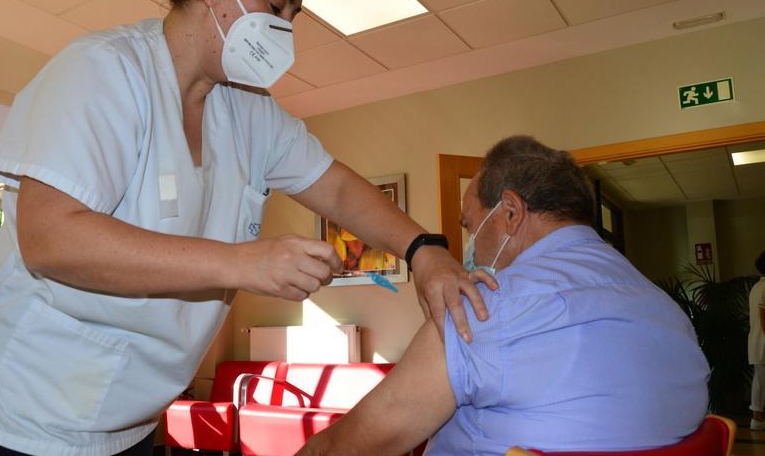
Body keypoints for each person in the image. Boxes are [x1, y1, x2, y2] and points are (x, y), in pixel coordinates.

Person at [0, 0, 495, 455]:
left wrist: (424, 250)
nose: (284, 31)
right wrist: (243, 263)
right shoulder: (104, 71)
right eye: (276, 6)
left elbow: (340, 188)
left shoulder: (250, 112)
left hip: (124, 420)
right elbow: (52, 240)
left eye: (292, 17)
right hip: (16, 405)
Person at [299, 136, 710, 456]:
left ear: (510, 212)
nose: (469, 244)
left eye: (469, 225)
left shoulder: (485, 307)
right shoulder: (669, 313)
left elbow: (349, 446)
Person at [749, 250, 765, 430]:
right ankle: (757, 418)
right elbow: (763, 318)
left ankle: (757, 418)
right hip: (762, 341)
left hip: (756, 340)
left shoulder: (756, 287)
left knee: (760, 379)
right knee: (760, 380)